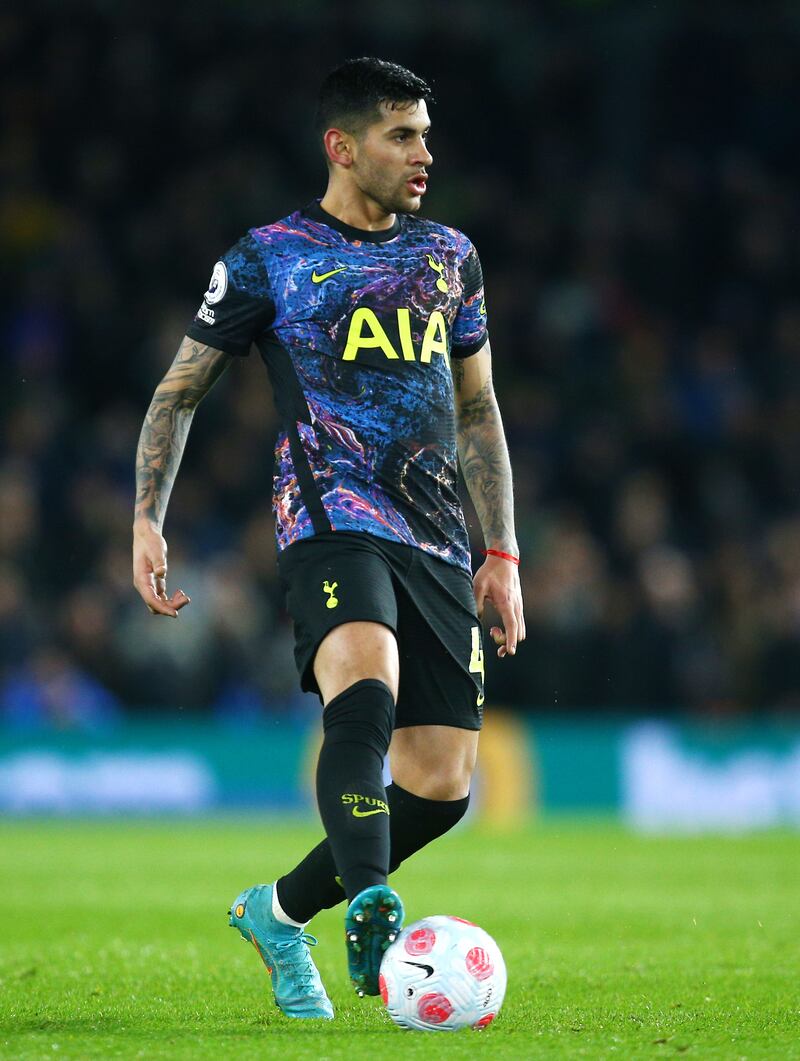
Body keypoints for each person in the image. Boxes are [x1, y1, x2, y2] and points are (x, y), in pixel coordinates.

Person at [132, 57, 525, 1020]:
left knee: (439, 785)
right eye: (403, 136)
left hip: (436, 533)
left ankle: (277, 912)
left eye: (427, 134)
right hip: (329, 515)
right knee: (363, 696)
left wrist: (503, 551)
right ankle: (375, 899)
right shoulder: (270, 255)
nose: (424, 153)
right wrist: (147, 516)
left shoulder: (450, 258)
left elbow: (479, 412)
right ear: (342, 147)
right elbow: (178, 394)